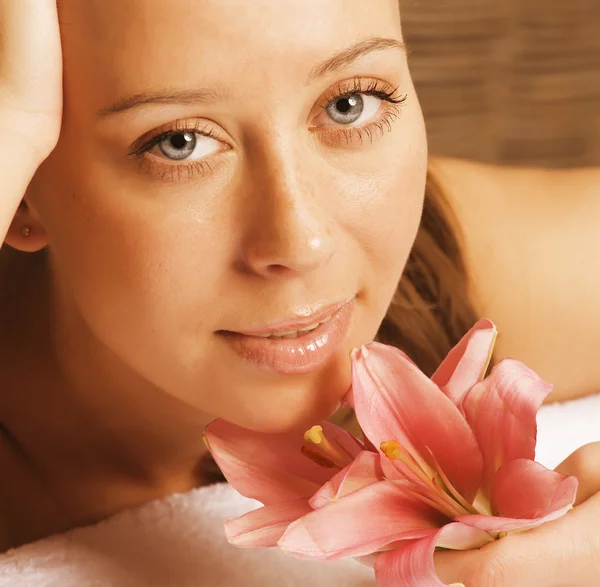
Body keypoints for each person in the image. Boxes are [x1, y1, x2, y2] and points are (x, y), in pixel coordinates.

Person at [0, 0, 599, 584]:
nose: (302, 242)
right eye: (178, 142)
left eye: (348, 104)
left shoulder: (445, 272)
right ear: (24, 185)